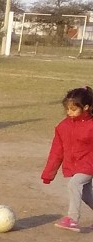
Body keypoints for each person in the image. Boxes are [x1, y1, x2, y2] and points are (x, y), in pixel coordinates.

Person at [41, 85, 93, 231]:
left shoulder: (91, 126)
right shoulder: (63, 126)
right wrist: (48, 173)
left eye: (73, 109)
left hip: (88, 164)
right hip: (76, 166)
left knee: (74, 184)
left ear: (86, 107)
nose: (69, 112)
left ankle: (72, 219)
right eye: (67, 109)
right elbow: (56, 151)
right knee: (86, 195)